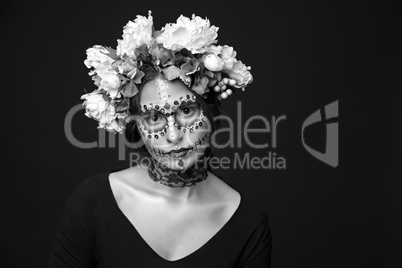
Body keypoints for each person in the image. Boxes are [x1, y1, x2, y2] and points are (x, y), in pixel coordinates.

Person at [46, 11, 272, 267]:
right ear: (136, 127)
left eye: (186, 111)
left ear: (211, 114)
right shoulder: (92, 202)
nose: (174, 135)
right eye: (154, 118)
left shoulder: (247, 223)